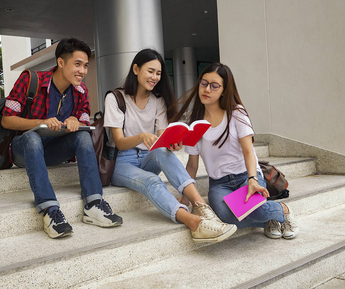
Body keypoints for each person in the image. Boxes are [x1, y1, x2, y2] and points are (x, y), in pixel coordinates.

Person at [103, 49, 237, 243]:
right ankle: (194, 223)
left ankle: (201, 207)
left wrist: (171, 144)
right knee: (151, 181)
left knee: (160, 150)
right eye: (150, 71)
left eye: (158, 73)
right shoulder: (115, 98)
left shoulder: (157, 101)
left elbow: (160, 140)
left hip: (147, 156)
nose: (155, 77)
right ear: (135, 69)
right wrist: (141, 136)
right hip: (121, 162)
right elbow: (119, 142)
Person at [1, 38, 122, 239]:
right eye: (77, 64)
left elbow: (84, 122)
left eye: (85, 66)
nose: (82, 71)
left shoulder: (81, 91)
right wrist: (41, 123)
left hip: (52, 150)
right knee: (32, 140)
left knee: (83, 136)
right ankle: (50, 211)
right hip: (24, 149)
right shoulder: (31, 79)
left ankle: (93, 204)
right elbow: (7, 119)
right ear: (60, 63)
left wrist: (74, 120)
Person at [173, 62, 299, 239]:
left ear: (224, 90)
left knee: (256, 210)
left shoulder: (236, 113)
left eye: (214, 85)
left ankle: (282, 211)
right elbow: (192, 165)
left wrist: (253, 179)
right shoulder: (195, 124)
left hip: (245, 175)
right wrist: (185, 198)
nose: (207, 89)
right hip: (219, 184)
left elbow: (248, 151)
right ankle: (270, 218)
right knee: (226, 218)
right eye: (204, 83)